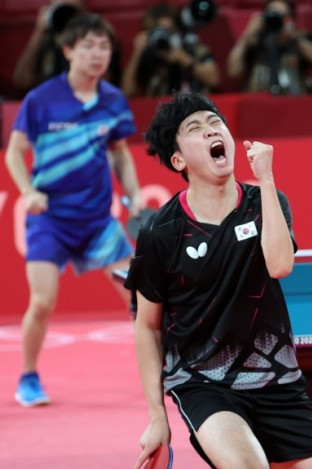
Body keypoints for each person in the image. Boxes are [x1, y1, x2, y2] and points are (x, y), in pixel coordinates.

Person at [126, 90, 312, 469]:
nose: (212, 131)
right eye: (195, 128)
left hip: (278, 382)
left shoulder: (265, 201)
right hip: (202, 381)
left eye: (216, 123)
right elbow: (147, 327)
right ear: (177, 160)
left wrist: (266, 179)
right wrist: (156, 415)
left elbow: (280, 263)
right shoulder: (162, 233)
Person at [4, 13, 143, 408]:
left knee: (140, 297)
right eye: (88, 46)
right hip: (50, 219)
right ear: (68, 50)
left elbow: (119, 153)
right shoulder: (41, 99)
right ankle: (28, 377)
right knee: (43, 302)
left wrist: (133, 195)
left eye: (104, 46)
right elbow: (15, 151)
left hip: (99, 220)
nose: (97, 54)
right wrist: (28, 190)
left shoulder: (113, 100)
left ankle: (166, 372)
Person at [12, 1, 122, 95]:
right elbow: (22, 81)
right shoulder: (46, 39)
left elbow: (103, 83)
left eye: (72, 13)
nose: (68, 20)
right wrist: (39, 32)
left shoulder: (99, 41)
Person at [122, 2, 220, 98]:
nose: (164, 36)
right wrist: (137, 53)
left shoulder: (194, 49)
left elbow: (213, 79)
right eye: (159, 31)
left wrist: (184, 60)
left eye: (169, 30)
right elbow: (127, 93)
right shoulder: (148, 55)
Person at [226, 0, 312, 95]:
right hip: (259, 101)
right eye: (273, 14)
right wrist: (247, 35)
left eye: (283, 15)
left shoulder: (301, 38)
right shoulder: (255, 42)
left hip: (295, 101)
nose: (277, 19)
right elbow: (233, 71)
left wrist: (293, 36)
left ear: (292, 18)